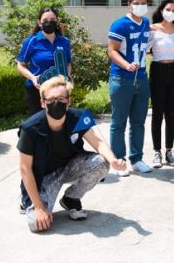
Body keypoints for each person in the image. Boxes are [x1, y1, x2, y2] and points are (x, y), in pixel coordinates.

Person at [17, 75, 127, 233]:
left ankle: (71, 199)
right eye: (51, 99)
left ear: (68, 101)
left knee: (101, 162)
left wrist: (113, 160)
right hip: (44, 177)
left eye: (61, 98)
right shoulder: (30, 129)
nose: (57, 102)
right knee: (37, 224)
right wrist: (39, 207)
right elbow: (25, 169)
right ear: (42, 103)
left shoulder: (79, 117)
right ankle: (28, 200)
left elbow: (98, 142)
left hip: (69, 167)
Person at [107, 0, 152, 176]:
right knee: (118, 122)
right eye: (137, 3)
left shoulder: (146, 22)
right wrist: (126, 65)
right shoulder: (120, 25)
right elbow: (112, 51)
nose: (140, 6)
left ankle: (136, 158)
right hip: (121, 78)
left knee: (139, 121)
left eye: (144, 3)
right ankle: (119, 161)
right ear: (129, 4)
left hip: (141, 78)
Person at [146, 0, 174, 169]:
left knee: (171, 113)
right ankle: (156, 152)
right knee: (158, 112)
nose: (171, 12)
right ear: (161, 10)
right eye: (168, 9)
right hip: (157, 70)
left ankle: (169, 151)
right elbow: (144, 49)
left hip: (173, 70)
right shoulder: (152, 29)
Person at [17, 7, 72, 116]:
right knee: (39, 123)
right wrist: (32, 78)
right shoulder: (32, 41)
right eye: (45, 20)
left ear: (57, 21)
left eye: (52, 19)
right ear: (39, 22)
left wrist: (67, 77)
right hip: (36, 90)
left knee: (58, 120)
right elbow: (21, 64)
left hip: (58, 90)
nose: (49, 22)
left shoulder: (64, 41)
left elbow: (68, 63)